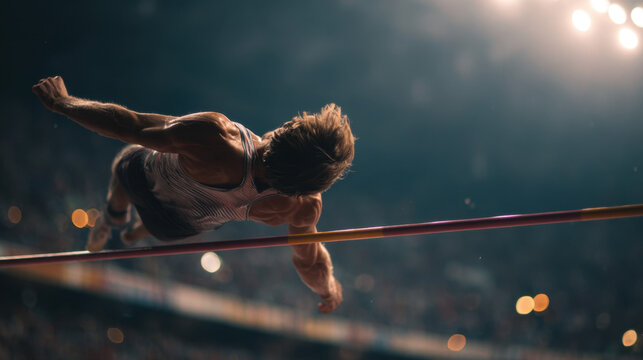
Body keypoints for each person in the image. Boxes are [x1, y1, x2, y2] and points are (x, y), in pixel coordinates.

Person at [32, 76, 355, 313]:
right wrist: (329, 290)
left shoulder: (217, 138)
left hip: (141, 179)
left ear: (286, 131)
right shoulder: (302, 207)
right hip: (176, 229)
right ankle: (134, 227)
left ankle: (113, 216)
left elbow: (128, 124)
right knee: (169, 213)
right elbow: (309, 261)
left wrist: (64, 103)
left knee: (126, 161)